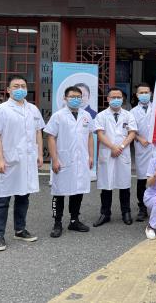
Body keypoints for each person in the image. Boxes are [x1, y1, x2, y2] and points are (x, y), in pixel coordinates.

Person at [0, 75, 44, 252]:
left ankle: (20, 230)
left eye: (23, 86)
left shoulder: (33, 109)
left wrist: (39, 154)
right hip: (9, 160)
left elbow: (38, 132)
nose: (20, 89)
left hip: (27, 160)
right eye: (16, 86)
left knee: (23, 196)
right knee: (3, 199)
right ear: (8, 90)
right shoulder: (1, 110)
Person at [44, 86, 94, 238]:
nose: (76, 99)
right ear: (65, 98)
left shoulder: (86, 115)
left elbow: (90, 136)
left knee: (78, 190)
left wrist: (91, 156)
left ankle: (74, 220)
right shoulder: (58, 116)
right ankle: (57, 223)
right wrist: (54, 159)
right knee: (59, 192)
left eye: (78, 96)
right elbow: (51, 137)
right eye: (72, 96)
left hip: (81, 159)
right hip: (63, 159)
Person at [93, 87, 138, 227]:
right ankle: (105, 213)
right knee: (106, 185)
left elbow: (132, 133)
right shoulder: (101, 115)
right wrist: (113, 147)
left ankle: (126, 212)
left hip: (122, 153)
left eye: (119, 97)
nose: (116, 99)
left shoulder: (128, 115)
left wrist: (121, 147)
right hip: (108, 152)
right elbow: (100, 134)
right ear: (108, 99)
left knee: (124, 185)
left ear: (122, 99)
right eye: (113, 97)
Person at [129, 83, 154, 222]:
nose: (144, 94)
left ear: (151, 93)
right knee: (142, 180)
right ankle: (142, 208)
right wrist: (139, 138)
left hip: (155, 148)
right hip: (142, 148)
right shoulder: (132, 112)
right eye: (141, 93)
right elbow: (130, 129)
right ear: (137, 95)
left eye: (146, 92)